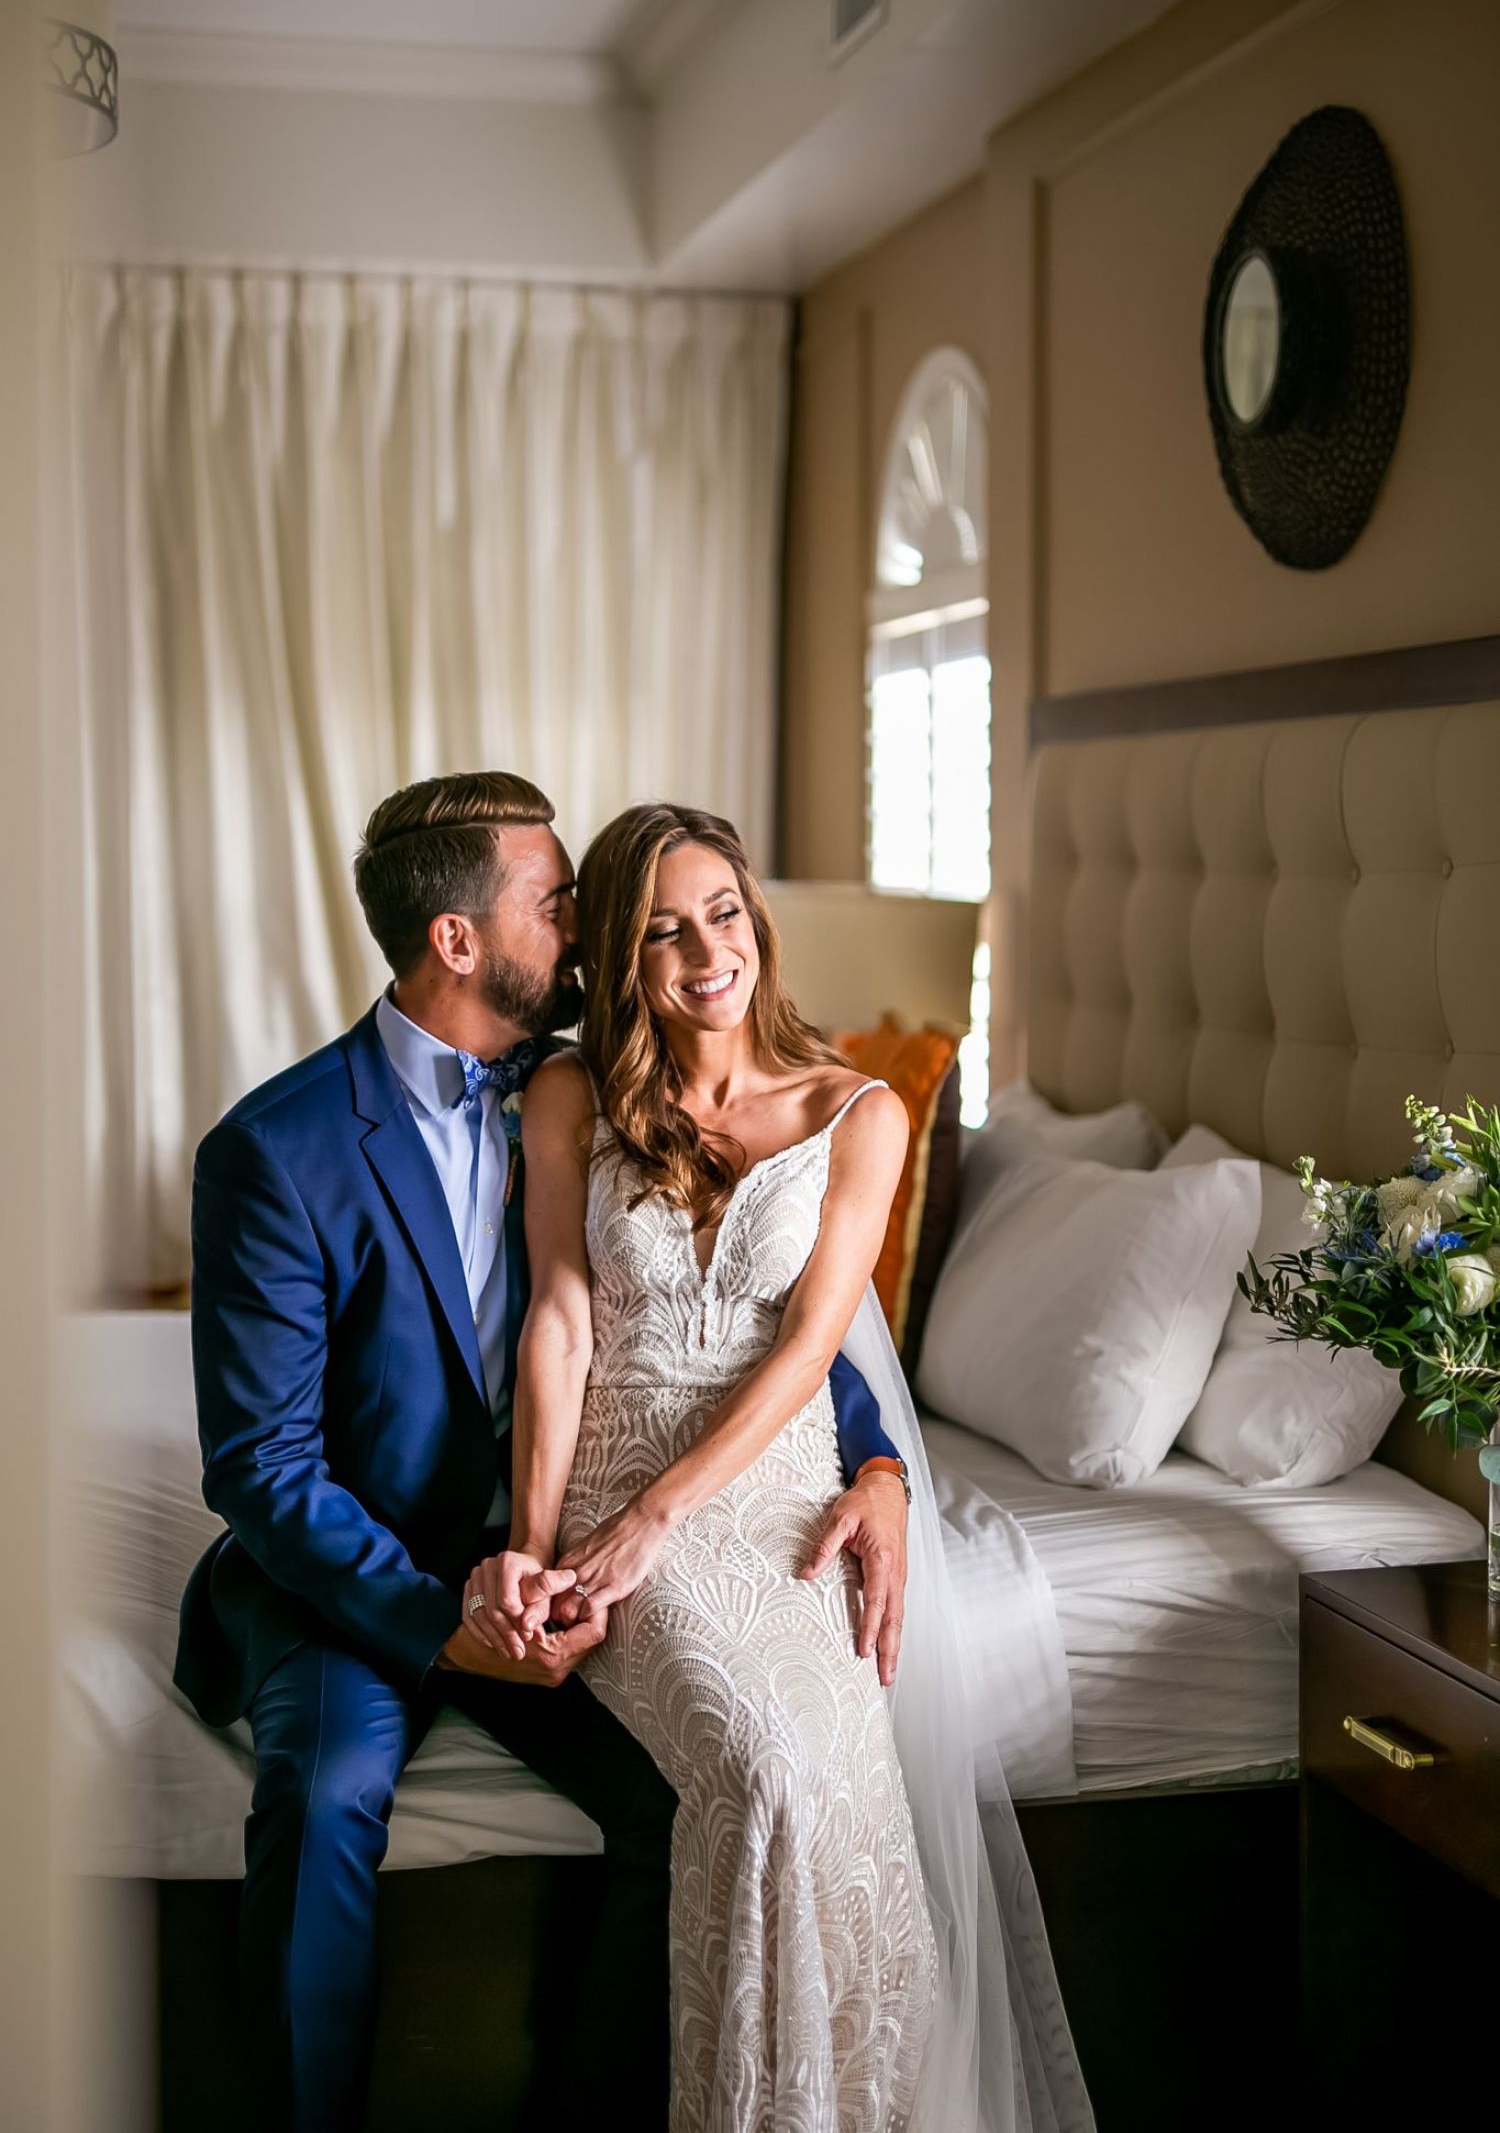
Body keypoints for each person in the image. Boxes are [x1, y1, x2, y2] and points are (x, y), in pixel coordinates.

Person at [172, 770, 913, 2133]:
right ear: (457, 939)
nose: (591, 926)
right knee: (322, 1794)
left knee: (681, 1799)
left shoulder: (593, 1083)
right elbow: (263, 1466)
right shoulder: (273, 1151)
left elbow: (725, 1318)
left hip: (558, 1559)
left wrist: (876, 1465)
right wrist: (441, 1622)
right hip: (370, 1583)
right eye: (558, 900)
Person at [465, 802, 1094, 2133]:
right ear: (622, 957)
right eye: (663, 929)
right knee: (758, 1767)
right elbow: (560, 1318)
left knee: (838, 1771)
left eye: (725, 914)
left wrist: (675, 1512)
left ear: (759, 920)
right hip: (615, 1479)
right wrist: (534, 1546)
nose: (706, 953)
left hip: (773, 1495)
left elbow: (813, 1343)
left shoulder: (854, 1113)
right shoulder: (573, 1092)